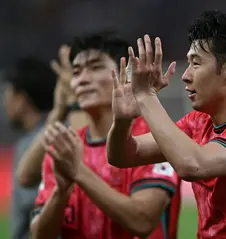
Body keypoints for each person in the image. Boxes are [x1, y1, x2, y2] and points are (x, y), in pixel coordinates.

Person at [107, 10, 226, 239]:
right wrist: (123, 121)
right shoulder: (198, 122)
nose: (185, 75)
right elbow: (124, 155)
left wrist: (146, 96)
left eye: (196, 63)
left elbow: (193, 165)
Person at [30, 31, 181, 239]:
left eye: (95, 67)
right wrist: (61, 192)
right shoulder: (64, 148)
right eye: (76, 72)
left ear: (125, 74)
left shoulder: (152, 139)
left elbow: (143, 220)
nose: (82, 79)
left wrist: (78, 172)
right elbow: (39, 235)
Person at [16, 45, 87, 188]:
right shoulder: (63, 125)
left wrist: (74, 102)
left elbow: (89, 166)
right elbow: (24, 177)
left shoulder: (128, 131)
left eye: (96, 68)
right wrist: (59, 110)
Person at [2, 57, 57, 239]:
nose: (4, 104)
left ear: (21, 99)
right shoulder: (59, 131)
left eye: (7, 94)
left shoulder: (33, 144)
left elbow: (32, 209)